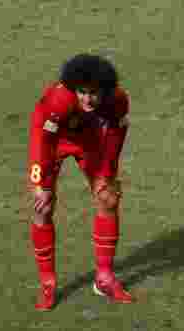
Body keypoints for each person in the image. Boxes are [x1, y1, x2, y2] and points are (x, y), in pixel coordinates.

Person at [27, 54, 133, 310]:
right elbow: (42, 139)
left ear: (105, 91)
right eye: (82, 92)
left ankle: (104, 278)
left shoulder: (117, 100)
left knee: (108, 198)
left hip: (89, 141)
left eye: (93, 93)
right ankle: (48, 283)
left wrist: (107, 175)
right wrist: (40, 185)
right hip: (52, 141)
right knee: (42, 207)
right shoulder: (58, 101)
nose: (87, 99)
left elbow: (116, 135)